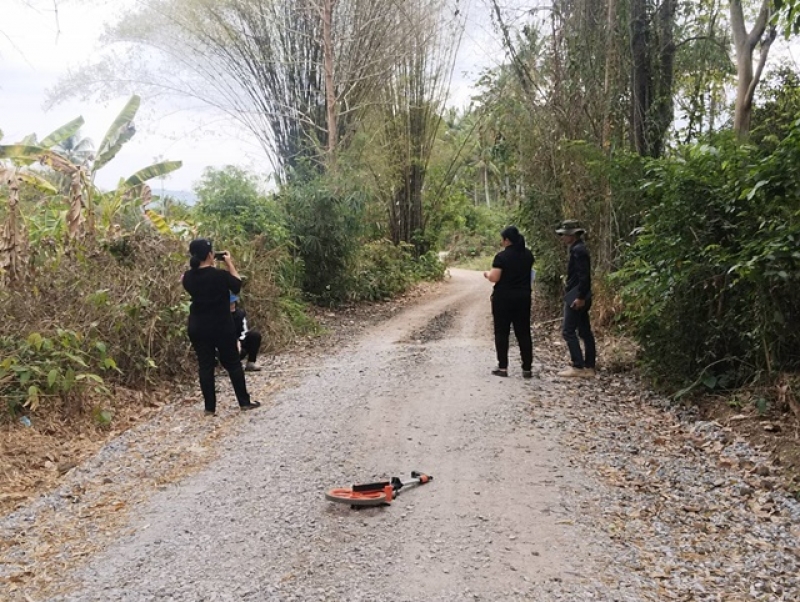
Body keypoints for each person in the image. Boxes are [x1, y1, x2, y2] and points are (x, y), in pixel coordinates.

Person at [182, 238, 261, 414]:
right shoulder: (219, 275)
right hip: (221, 326)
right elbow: (237, 284)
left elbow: (195, 283)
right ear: (210, 255)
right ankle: (244, 402)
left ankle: (209, 408)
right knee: (233, 364)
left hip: (197, 327)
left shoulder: (187, 277)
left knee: (205, 365)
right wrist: (229, 263)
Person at [483, 225, 534, 379]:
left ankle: (503, 367)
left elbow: (495, 277)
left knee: (502, 332)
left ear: (506, 240)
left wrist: (487, 274)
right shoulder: (528, 255)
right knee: (523, 332)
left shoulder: (501, 257)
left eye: (502, 239)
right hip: (523, 297)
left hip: (503, 299)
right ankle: (527, 368)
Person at [555, 220, 596, 377]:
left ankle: (578, 366)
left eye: (564, 235)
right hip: (579, 294)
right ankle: (589, 367)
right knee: (584, 331)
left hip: (577, 295)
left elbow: (584, 276)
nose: (563, 238)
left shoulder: (579, 251)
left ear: (572, 235)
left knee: (568, 331)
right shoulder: (578, 249)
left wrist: (580, 297)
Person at [230, 293, 263, 372]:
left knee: (255, 335)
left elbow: (244, 331)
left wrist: (239, 341)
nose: (232, 305)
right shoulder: (220, 316)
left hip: (240, 341)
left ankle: (251, 363)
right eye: (230, 304)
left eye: (233, 303)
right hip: (226, 345)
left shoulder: (240, 314)